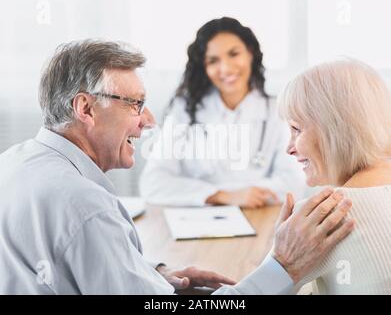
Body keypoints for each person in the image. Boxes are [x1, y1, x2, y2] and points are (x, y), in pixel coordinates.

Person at [0, 40, 353, 294]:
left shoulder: (13, 163)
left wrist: (154, 274)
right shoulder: (84, 205)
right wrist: (283, 267)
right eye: (135, 105)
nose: (148, 121)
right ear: (86, 109)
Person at [140, 17, 305, 208]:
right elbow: (153, 183)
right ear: (204, 67)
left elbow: (293, 184)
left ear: (250, 53)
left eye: (234, 54)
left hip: (260, 220)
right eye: (213, 60)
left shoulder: (277, 111)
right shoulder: (184, 111)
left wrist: (240, 194)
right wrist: (222, 195)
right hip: (198, 222)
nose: (225, 68)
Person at [278, 59, 391, 294]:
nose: (289, 147)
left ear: (334, 128)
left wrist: (276, 259)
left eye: (296, 129)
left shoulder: (323, 217)